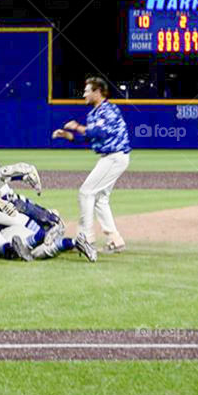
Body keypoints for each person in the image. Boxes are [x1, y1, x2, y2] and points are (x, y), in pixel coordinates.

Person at [52, 76, 131, 261]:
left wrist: (77, 126)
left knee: (86, 192)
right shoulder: (94, 114)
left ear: (98, 92)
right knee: (100, 199)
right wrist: (68, 135)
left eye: (87, 91)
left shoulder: (109, 110)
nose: (84, 94)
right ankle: (115, 239)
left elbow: (99, 133)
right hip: (110, 157)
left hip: (115, 156)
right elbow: (89, 138)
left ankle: (86, 237)